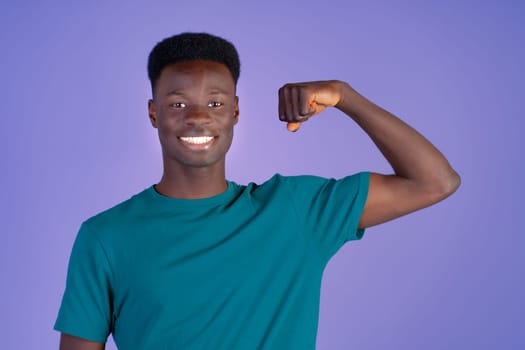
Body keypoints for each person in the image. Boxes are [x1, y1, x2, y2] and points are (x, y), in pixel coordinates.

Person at [54, 32, 460, 350]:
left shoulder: (295, 212)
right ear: (153, 113)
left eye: (215, 104)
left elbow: (434, 181)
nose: (198, 118)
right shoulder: (105, 237)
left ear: (235, 112)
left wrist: (344, 95)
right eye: (178, 105)